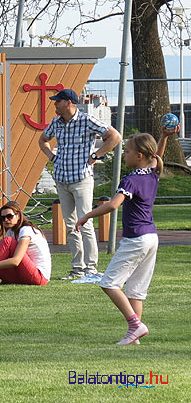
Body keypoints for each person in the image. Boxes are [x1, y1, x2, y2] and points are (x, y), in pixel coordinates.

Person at [75, 128, 175, 345]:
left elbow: (113, 205)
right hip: (151, 237)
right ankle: (134, 337)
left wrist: (86, 216)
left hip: (136, 239)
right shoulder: (152, 172)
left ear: (139, 156)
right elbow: (157, 156)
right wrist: (164, 137)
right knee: (136, 291)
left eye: (127, 151)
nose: (124, 154)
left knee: (109, 283)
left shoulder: (130, 180)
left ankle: (135, 325)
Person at [39, 88, 122, 280]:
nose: (54, 104)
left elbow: (115, 137)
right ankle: (77, 269)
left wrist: (96, 155)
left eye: (57, 101)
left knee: (85, 223)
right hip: (62, 178)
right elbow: (43, 140)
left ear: (68, 102)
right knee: (70, 226)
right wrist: (52, 157)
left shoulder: (86, 120)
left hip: (82, 179)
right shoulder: (56, 122)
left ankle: (91, 269)